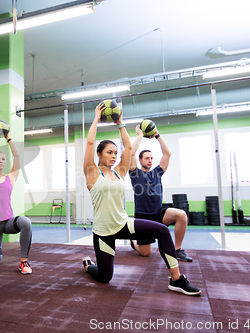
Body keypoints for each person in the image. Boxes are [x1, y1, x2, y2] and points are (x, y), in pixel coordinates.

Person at [81, 102, 200, 296]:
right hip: (103, 232)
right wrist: (96, 119)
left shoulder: (120, 172)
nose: (114, 156)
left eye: (115, 153)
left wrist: (120, 123)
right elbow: (89, 143)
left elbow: (129, 147)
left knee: (162, 230)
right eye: (109, 153)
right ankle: (88, 265)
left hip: (122, 223)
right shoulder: (92, 174)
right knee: (105, 277)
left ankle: (177, 280)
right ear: (99, 155)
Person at [129, 125, 192, 262]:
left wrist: (157, 135)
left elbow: (167, 154)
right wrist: (140, 135)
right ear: (140, 160)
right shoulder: (135, 173)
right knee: (146, 253)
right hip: (142, 217)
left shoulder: (157, 172)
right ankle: (134, 243)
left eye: (151, 158)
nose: (150, 160)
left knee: (181, 214)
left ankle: (177, 250)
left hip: (158, 213)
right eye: (147, 158)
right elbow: (131, 153)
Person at [0, 124, 33, 274]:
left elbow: (17, 156)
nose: (1, 161)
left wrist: (8, 138)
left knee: (25, 222)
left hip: (8, 221)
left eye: (3, 159)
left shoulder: (11, 177)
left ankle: (23, 262)